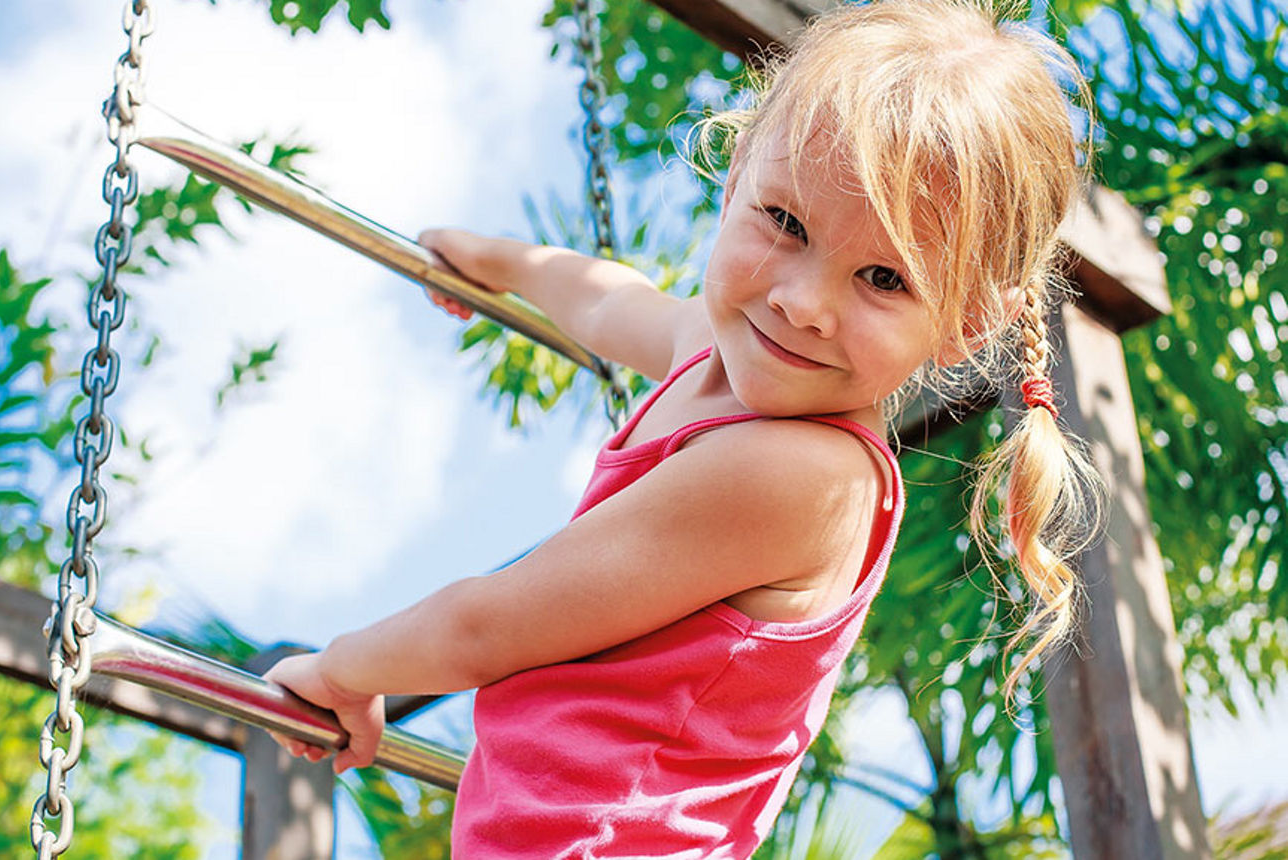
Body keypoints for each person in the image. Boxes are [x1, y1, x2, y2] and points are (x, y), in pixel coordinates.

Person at [264, 0, 1104, 855]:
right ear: (738, 175)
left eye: (884, 278)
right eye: (785, 223)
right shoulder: (714, 350)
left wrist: (342, 672)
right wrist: (504, 264)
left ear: (967, 322)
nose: (801, 303)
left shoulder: (804, 478)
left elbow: (490, 625)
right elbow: (608, 300)